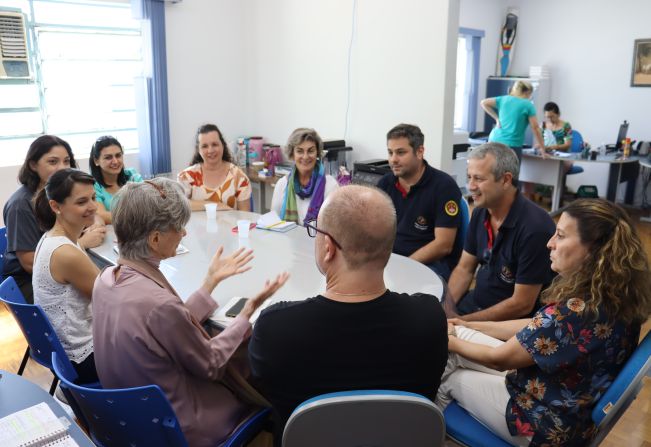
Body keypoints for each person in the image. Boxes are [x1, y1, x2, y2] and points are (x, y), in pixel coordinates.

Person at [437, 199, 651, 446]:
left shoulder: (578, 311)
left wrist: (446, 339)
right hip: (559, 394)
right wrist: (467, 326)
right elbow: (540, 325)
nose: (550, 243)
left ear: (593, 249)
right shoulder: (612, 294)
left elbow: (500, 359)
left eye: (560, 236)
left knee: (445, 378)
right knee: (458, 342)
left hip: (548, 421)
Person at [92, 177, 288, 447]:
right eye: (179, 227)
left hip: (130, 417)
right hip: (179, 426)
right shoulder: (159, 304)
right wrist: (247, 313)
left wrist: (209, 283)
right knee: (260, 369)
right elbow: (211, 364)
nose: (184, 234)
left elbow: (165, 326)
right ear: (155, 238)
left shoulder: (106, 279)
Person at [250, 185, 448, 442]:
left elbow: (262, 384)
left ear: (329, 247)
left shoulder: (275, 330)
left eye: (316, 232)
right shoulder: (430, 320)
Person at [444, 143, 555, 321]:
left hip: (510, 323)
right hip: (477, 306)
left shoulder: (536, 228)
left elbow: (522, 304)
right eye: (469, 177)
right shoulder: (481, 211)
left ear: (505, 180)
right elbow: (464, 269)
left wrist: (462, 323)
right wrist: (446, 309)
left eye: (479, 179)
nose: (470, 186)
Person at [3, 136, 105, 303]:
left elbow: (94, 213)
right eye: (53, 162)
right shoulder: (20, 205)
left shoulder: (59, 193)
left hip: (59, 264)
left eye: (67, 161)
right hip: (29, 280)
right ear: (33, 165)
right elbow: (30, 263)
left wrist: (96, 223)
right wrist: (82, 243)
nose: (62, 168)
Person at [32, 169, 102, 383]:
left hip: (64, 354)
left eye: (93, 198)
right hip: (83, 359)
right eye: (82, 202)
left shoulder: (50, 238)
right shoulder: (67, 254)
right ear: (56, 206)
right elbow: (112, 301)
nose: (92, 206)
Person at [377, 123, 463, 280]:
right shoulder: (385, 183)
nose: (393, 160)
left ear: (420, 152)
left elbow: (444, 245)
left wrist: (405, 265)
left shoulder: (444, 186)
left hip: (430, 263)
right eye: (390, 153)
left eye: (401, 152)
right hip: (393, 260)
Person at [270, 128, 339, 224]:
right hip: (287, 238)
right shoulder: (282, 184)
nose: (305, 157)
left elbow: (333, 225)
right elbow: (274, 222)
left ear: (317, 153)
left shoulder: (330, 185)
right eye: (300, 151)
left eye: (310, 151)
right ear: (292, 154)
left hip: (317, 239)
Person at [178, 124, 252, 211]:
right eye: (205, 146)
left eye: (215, 144)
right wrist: (216, 205)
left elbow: (245, 217)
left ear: (223, 146)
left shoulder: (239, 177)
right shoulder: (186, 177)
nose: (210, 150)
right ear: (199, 150)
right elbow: (178, 207)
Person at [481, 80, 545, 162]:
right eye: (530, 94)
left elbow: (484, 103)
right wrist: (543, 148)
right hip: (512, 144)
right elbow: (535, 128)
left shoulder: (503, 99)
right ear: (527, 92)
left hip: (493, 140)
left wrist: (496, 118)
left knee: (493, 172)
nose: (530, 97)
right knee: (511, 173)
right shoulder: (527, 104)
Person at [89, 135, 143, 224]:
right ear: (96, 161)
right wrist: (135, 216)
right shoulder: (92, 184)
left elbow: (148, 207)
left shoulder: (132, 176)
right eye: (108, 157)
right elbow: (100, 215)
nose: (115, 161)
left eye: (118, 155)